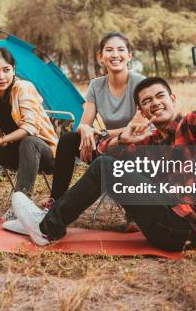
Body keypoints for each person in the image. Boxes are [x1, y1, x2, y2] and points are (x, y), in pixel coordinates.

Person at [11, 42, 196, 251]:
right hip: (164, 226)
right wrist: (122, 138)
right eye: (147, 101)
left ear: (173, 99)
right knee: (107, 163)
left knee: (106, 166)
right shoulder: (148, 141)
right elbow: (100, 152)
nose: (155, 103)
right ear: (141, 111)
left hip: (187, 230)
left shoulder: (190, 126)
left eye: (160, 96)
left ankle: (46, 227)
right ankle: (46, 221)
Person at [0, 47, 58, 224]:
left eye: (6, 70)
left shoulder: (23, 88)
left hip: (45, 154)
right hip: (17, 155)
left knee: (28, 141)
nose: (1, 76)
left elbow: (30, 128)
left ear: (13, 69)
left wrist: (0, 141)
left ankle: (19, 209)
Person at [50, 32, 147, 201]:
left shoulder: (141, 83)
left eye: (120, 50)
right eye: (109, 50)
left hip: (139, 148)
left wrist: (100, 133)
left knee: (134, 144)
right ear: (100, 56)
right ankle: (55, 201)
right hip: (108, 148)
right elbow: (82, 125)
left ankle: (135, 212)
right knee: (68, 140)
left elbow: (138, 130)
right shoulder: (96, 85)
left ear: (129, 56)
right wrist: (86, 129)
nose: (115, 55)